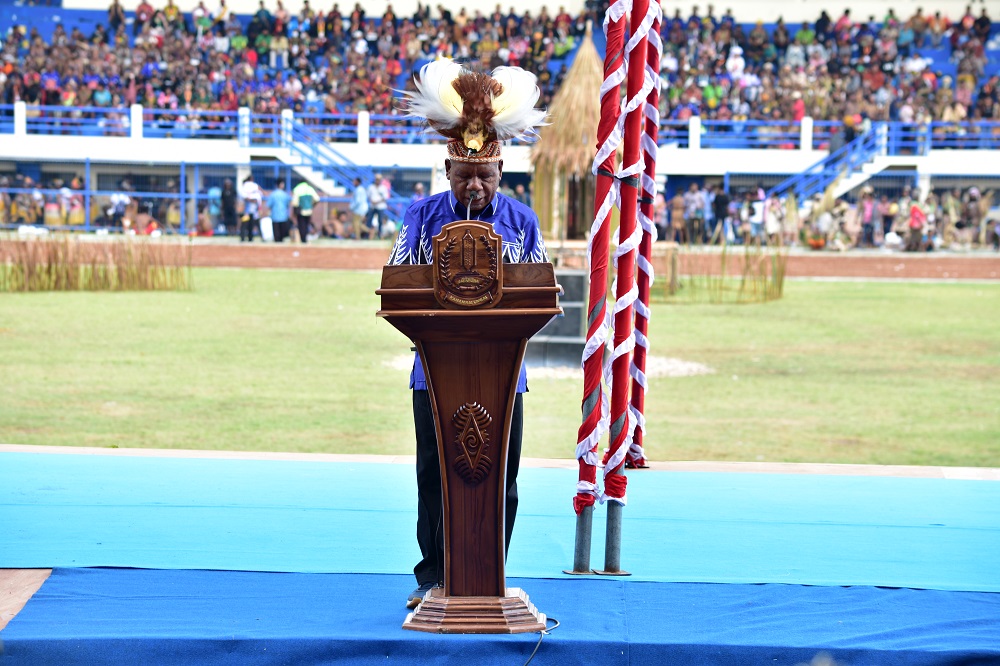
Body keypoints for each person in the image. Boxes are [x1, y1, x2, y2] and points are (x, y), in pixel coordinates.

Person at [387, 59, 548, 609]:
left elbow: (542, 294)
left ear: (501, 171)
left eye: (485, 176)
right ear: (447, 171)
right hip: (432, 372)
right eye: (464, 176)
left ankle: (486, 575)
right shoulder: (420, 217)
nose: (475, 186)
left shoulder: (523, 222)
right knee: (433, 477)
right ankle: (432, 577)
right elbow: (397, 284)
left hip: (506, 375)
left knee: (500, 476)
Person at [239, 174, 263, 242]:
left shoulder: (251, 186)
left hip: (251, 211)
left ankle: (248, 238)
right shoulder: (250, 186)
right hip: (248, 211)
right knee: (247, 225)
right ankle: (244, 238)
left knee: (249, 225)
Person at [365, 173, 389, 237]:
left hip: (380, 207)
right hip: (372, 206)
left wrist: (377, 202)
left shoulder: (383, 188)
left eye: (379, 179)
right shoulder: (371, 187)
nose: (377, 181)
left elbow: (385, 198)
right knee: (369, 220)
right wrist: (372, 201)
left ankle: (379, 235)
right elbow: (368, 196)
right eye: (376, 179)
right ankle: (368, 235)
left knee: (380, 221)